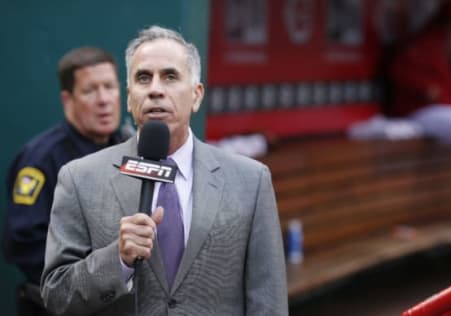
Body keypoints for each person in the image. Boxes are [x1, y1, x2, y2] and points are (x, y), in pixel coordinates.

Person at [40, 25, 288, 315]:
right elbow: (55, 294)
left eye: (170, 77)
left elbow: (268, 300)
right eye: (144, 78)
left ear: (196, 96)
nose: (156, 89)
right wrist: (116, 260)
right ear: (131, 97)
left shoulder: (251, 180)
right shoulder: (79, 178)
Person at [2, 46, 124, 315]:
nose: (104, 99)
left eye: (110, 86)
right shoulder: (41, 159)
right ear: (68, 100)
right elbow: (24, 242)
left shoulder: (129, 148)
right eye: (90, 90)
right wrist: (93, 274)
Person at [387, 0, 451, 215]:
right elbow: (398, 70)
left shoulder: (450, 48)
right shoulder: (424, 42)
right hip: (419, 111)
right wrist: (427, 89)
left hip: (443, 109)